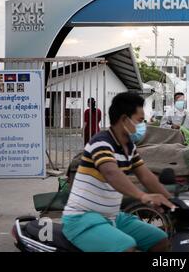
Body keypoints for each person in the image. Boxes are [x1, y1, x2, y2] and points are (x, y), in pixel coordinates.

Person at [62, 92, 174, 252]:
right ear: (124, 120)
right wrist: (143, 196)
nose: (143, 126)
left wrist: (172, 202)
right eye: (140, 121)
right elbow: (111, 173)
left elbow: (145, 175)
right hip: (82, 218)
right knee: (126, 247)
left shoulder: (129, 146)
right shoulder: (101, 142)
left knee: (160, 240)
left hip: (113, 216)